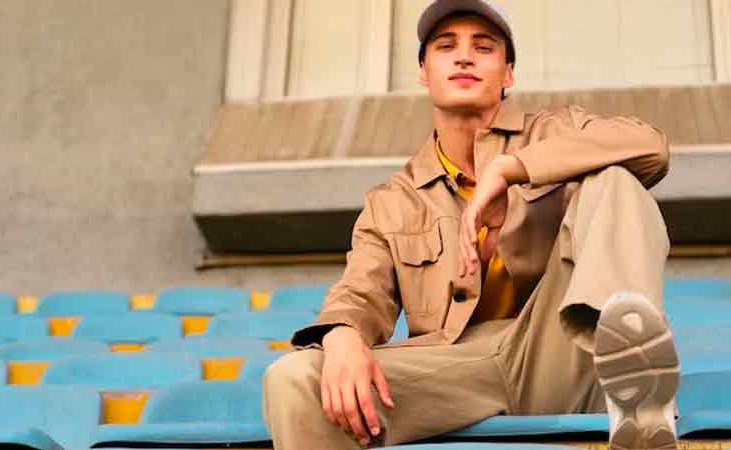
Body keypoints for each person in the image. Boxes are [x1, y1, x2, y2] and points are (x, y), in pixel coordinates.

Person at [262, 1, 680, 449]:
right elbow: (359, 293)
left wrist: (512, 169)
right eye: (446, 47)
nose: (464, 57)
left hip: (563, 351)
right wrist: (342, 336)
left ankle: (635, 394)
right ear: (423, 71)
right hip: (456, 370)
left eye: (483, 47)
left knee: (615, 178)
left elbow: (649, 147)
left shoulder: (559, 130)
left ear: (508, 74)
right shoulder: (391, 201)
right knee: (294, 379)